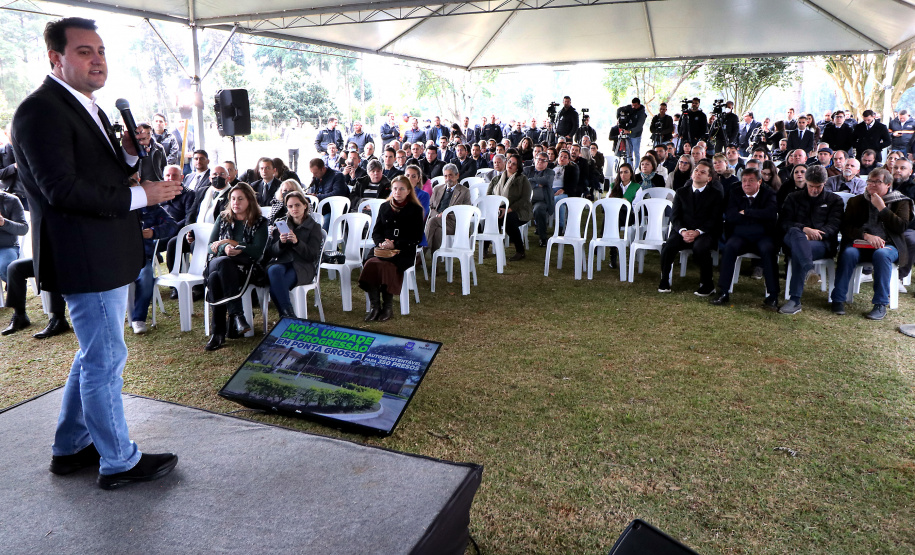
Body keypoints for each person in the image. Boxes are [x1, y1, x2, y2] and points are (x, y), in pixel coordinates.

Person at [11, 17, 182, 488]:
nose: (98, 59)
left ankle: (69, 448)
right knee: (105, 360)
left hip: (102, 250)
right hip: (83, 254)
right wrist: (143, 196)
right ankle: (119, 461)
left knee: (94, 354)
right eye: (84, 51)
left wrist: (127, 156)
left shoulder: (87, 106)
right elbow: (62, 189)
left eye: (101, 50)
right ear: (55, 58)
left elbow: (100, 172)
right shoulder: (40, 111)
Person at [830, 168, 913, 319]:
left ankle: (880, 304)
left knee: (881, 254)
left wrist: (882, 207)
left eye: (877, 182)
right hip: (861, 244)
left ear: (888, 184)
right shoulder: (856, 201)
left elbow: (901, 227)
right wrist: (866, 235)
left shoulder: (901, 201)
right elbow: (846, 227)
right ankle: (838, 299)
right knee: (848, 253)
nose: (872, 185)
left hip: (889, 245)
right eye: (870, 181)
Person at [204, 183, 268, 351]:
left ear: (250, 201)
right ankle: (237, 316)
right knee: (223, 263)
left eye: (240, 199)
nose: (235, 202)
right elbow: (209, 245)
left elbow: (256, 251)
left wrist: (234, 244)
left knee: (215, 278)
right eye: (233, 199)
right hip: (218, 261)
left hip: (245, 269)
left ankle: (217, 332)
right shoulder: (223, 218)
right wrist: (224, 249)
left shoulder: (260, 222)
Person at [777, 165, 844, 314]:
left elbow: (834, 226)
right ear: (806, 182)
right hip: (794, 238)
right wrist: (804, 230)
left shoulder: (834, 200)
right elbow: (784, 222)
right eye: (811, 186)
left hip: (821, 243)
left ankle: (795, 299)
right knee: (796, 233)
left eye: (818, 187)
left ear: (824, 183)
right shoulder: (793, 197)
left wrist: (815, 234)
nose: (814, 190)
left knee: (800, 249)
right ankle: (809, 270)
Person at [710, 168, 780, 309]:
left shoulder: (769, 194)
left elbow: (771, 214)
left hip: (763, 236)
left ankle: (773, 296)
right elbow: (731, 216)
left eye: (751, 180)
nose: (746, 184)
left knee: (769, 250)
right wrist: (756, 216)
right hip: (740, 235)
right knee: (729, 247)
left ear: (759, 181)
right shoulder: (735, 193)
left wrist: (746, 212)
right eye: (744, 180)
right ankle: (723, 292)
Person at [360, 175, 424, 322]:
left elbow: (416, 237)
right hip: (382, 249)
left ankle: (387, 307)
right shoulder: (384, 207)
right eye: (395, 188)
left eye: (402, 189)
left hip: (403, 251)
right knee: (370, 263)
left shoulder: (415, 210)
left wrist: (395, 244)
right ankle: (375, 307)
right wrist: (382, 243)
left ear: (408, 191)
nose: (398, 192)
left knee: (387, 266)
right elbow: (376, 232)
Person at [658, 159, 724, 296]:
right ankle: (664, 280)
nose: (698, 173)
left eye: (703, 172)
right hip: (683, 231)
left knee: (700, 248)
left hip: (705, 232)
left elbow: (714, 219)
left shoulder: (715, 194)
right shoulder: (681, 192)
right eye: (696, 170)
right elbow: (674, 217)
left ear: (709, 178)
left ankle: (707, 284)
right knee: (668, 246)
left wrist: (697, 232)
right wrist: (683, 231)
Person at [265, 190, 323, 319]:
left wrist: (297, 243)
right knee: (274, 270)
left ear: (305, 205)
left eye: (297, 205)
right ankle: (289, 315)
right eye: (290, 206)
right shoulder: (281, 223)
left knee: (276, 287)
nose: (294, 209)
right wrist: (281, 242)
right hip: (282, 261)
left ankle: (286, 315)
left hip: (303, 266)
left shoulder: (314, 227)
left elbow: (313, 256)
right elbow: (272, 252)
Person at [130, 203, 177, 334]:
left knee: (146, 278)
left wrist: (154, 232)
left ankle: (138, 319)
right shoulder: (116, 207)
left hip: (142, 259)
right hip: (118, 259)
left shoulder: (151, 208)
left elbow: (172, 225)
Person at [487, 153, 533, 261]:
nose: (510, 165)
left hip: (520, 210)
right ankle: (486, 248)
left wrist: (508, 209)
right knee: (492, 219)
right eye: (509, 162)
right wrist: (495, 207)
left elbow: (525, 199)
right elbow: (488, 196)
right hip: (499, 208)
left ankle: (520, 251)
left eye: (514, 164)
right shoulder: (496, 179)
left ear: (518, 167)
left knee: (509, 220)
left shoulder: (523, 179)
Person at [425, 164, 471, 254]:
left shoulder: (464, 191)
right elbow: (430, 207)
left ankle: (422, 252)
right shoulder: (437, 189)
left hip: (454, 223)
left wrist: (446, 214)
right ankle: (436, 261)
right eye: (445, 176)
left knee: (432, 221)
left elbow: (466, 212)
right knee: (438, 231)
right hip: (438, 220)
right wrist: (438, 215)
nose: (448, 178)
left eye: (450, 175)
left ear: (457, 175)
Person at [525, 152, 555, 247]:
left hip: (542, 200)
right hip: (526, 200)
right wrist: (538, 183)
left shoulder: (550, 172)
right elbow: (524, 181)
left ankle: (543, 237)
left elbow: (547, 180)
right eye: (538, 159)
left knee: (539, 210)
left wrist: (532, 181)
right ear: (534, 160)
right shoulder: (526, 170)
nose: (540, 162)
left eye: (543, 160)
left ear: (547, 163)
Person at [0, 188, 27, 283]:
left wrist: (3, 223)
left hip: (6, 247)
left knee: (6, 269)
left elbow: (23, 229)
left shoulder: (11, 200)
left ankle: (15, 294)